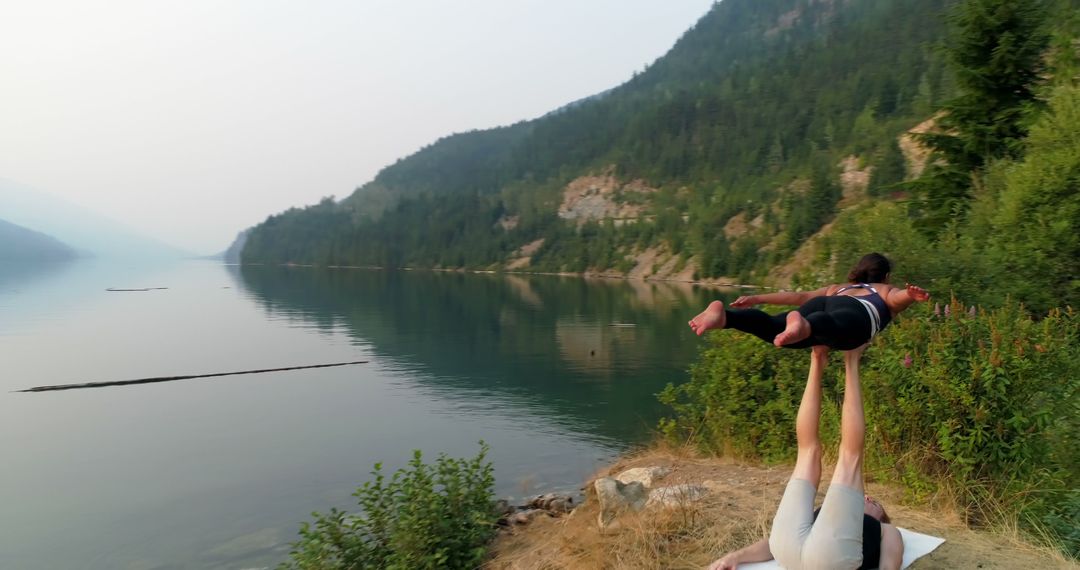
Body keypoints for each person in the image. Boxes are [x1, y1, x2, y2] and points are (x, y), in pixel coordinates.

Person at [707, 346, 904, 570]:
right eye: (869, 498)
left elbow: (890, 565)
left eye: (873, 502)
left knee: (846, 457)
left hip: (829, 559)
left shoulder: (887, 530)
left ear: (881, 516)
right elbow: (772, 544)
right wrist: (737, 556)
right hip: (787, 549)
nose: (867, 498)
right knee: (811, 452)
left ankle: (850, 358)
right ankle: (819, 357)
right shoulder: (822, 520)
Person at [688, 253, 929, 350]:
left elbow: (799, 297)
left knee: (774, 327)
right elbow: (898, 299)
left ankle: (727, 318)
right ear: (886, 276)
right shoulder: (883, 289)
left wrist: (756, 298)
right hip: (856, 312)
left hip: (825, 303)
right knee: (832, 328)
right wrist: (910, 295)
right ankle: (802, 324)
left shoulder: (839, 287)